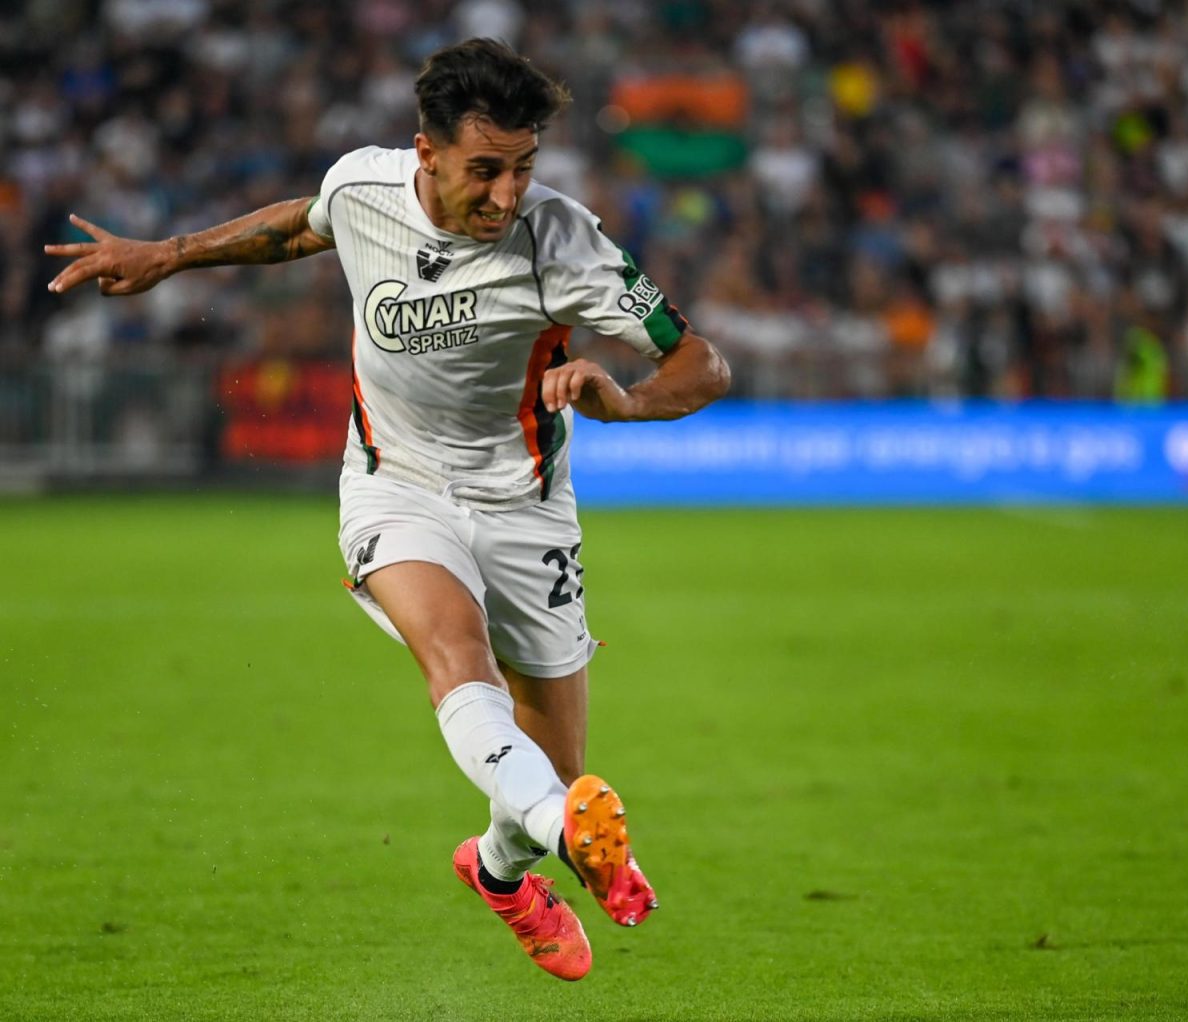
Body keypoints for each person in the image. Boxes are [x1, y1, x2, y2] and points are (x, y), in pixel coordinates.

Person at [44, 39, 731, 982]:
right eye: (484, 171)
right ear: (426, 152)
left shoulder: (564, 239)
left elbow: (701, 362)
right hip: (393, 481)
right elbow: (300, 227)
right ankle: (561, 837)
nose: (505, 195)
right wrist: (169, 254)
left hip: (525, 501)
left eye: (523, 170)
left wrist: (630, 399)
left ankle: (502, 867)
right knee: (457, 656)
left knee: (557, 767)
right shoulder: (365, 189)